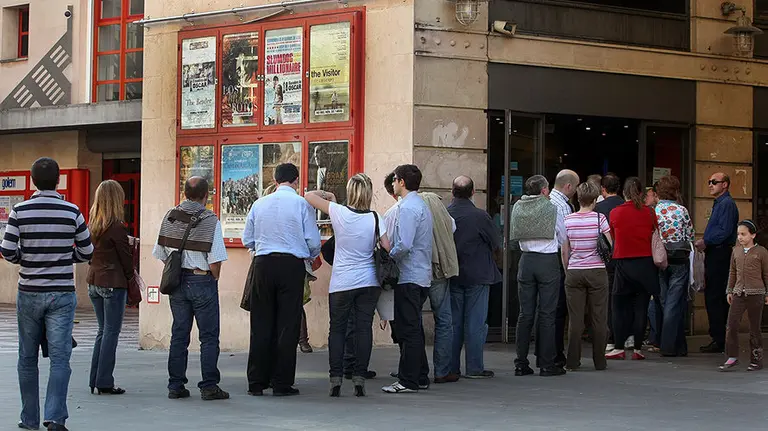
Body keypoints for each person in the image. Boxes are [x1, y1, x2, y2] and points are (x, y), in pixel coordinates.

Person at [1, 158, 93, 431]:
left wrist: (26, 258)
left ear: (32, 182)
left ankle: (29, 419)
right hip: (62, 294)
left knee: (27, 357)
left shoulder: (19, 211)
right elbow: (88, 251)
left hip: (29, 292)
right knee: (60, 358)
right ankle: (55, 418)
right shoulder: (72, 211)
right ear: (58, 182)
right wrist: (66, 257)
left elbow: (7, 250)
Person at [305, 174, 391, 397]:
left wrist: (330, 196)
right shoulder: (375, 217)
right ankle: (360, 378)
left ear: (351, 192)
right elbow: (388, 246)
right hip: (368, 281)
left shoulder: (338, 212)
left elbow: (308, 196)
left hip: (342, 282)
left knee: (338, 330)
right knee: (363, 329)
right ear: (369, 193)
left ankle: (336, 378)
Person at [242, 163, 321, 396]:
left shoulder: (259, 203)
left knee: (261, 324)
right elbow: (314, 242)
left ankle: (256, 381)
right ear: (296, 181)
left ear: (276, 181)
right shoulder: (301, 204)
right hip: (291, 265)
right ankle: (281, 382)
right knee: (287, 325)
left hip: (263, 264)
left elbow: (248, 240)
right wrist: (307, 255)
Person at [153, 177, 229, 401]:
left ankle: (175, 385)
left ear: (185, 193)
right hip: (201, 280)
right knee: (208, 336)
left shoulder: (170, 216)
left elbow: (161, 253)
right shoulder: (210, 220)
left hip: (177, 283)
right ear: (206, 195)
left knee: (179, 334)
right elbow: (215, 260)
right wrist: (213, 277)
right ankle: (209, 386)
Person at [382, 165, 434, 394]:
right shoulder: (419, 204)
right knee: (414, 328)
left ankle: (408, 379)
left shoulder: (408, 208)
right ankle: (420, 375)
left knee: (408, 329)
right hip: (419, 274)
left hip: (409, 275)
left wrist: (388, 256)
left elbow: (404, 243)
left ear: (401, 181)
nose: (393, 183)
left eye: (394, 179)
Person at [511, 175, 567, 377]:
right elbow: (562, 237)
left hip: (526, 260)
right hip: (547, 260)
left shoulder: (518, 207)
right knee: (547, 314)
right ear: (544, 191)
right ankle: (546, 363)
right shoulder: (552, 208)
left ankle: (521, 362)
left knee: (525, 314)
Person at [448, 176, 501, 379]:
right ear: (473, 192)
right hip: (478, 274)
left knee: (454, 323)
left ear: (452, 191)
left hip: (453, 274)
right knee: (476, 323)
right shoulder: (480, 216)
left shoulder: (446, 214)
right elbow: (495, 241)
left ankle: (452, 367)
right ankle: (474, 367)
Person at [605, 177, 661, 361]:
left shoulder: (615, 212)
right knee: (641, 307)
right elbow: (654, 233)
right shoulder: (650, 213)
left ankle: (619, 346)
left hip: (623, 262)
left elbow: (613, 236)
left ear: (624, 193)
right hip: (645, 262)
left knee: (619, 307)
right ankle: (638, 348)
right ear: (641, 193)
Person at [86, 180, 133, 395]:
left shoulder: (93, 224)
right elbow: (126, 260)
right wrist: (132, 279)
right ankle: (104, 381)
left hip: (94, 281)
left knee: (102, 331)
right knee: (111, 332)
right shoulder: (117, 228)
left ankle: (95, 378)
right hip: (113, 283)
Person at [561, 181, 611, 371]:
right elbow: (609, 246)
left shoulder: (568, 220)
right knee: (599, 318)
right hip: (597, 270)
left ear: (578, 197)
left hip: (574, 271)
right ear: (595, 199)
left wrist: (568, 270)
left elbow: (565, 251)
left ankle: (572, 361)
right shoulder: (600, 219)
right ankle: (600, 360)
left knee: (575, 320)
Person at [695, 173, 739, 354]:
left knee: (716, 296)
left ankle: (720, 339)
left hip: (720, 252)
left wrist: (706, 241)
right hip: (716, 251)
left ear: (725, 185)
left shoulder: (727, 204)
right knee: (714, 295)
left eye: (714, 182)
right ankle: (719, 337)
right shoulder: (720, 203)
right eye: (709, 181)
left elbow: (725, 231)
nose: (710, 185)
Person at [419, 190, 460, 384]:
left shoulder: (407, 209)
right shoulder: (442, 212)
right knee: (444, 320)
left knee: (413, 320)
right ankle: (442, 371)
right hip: (438, 271)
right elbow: (452, 228)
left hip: (416, 271)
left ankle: (415, 368)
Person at [720, 220, 768, 371]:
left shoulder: (762, 252)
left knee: (755, 328)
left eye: (743, 234)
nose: (740, 237)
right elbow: (732, 272)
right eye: (738, 234)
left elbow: (766, 274)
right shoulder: (736, 251)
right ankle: (732, 356)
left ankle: (756, 359)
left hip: (756, 294)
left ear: (753, 235)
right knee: (731, 325)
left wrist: (767, 293)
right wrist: (729, 290)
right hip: (738, 293)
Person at [655, 176, 694, 357]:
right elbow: (690, 235)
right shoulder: (682, 210)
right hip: (679, 257)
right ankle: (672, 345)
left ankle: (676, 345)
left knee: (666, 302)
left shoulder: (653, 211)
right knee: (674, 302)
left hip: (660, 258)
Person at [549, 170, 579, 369]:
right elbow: (565, 239)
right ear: (568, 186)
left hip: (546, 258)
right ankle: (555, 353)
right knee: (559, 310)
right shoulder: (562, 206)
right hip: (559, 259)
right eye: (575, 188)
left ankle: (549, 351)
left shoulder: (549, 201)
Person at [596, 173, 623, 352]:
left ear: (603, 189)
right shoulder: (625, 205)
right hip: (623, 257)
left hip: (604, 259)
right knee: (622, 298)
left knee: (606, 300)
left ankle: (609, 337)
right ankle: (624, 335)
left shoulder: (598, 208)